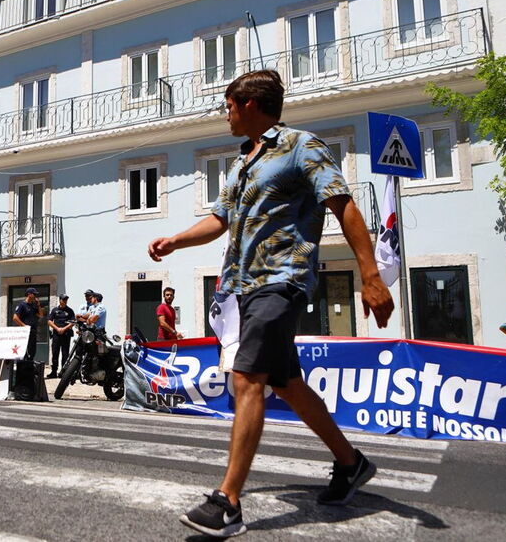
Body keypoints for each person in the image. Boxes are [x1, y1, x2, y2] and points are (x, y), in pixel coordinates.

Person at [148, 69, 394, 538]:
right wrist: (176, 241)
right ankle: (351, 462)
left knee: (247, 377)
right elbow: (220, 219)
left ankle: (227, 502)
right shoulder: (244, 161)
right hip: (244, 285)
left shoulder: (303, 145)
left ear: (250, 105)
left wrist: (370, 275)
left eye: (229, 106)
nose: (225, 114)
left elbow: (343, 205)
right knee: (286, 384)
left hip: (283, 279)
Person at [46, 294, 75, 378]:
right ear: (60, 300)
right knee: (55, 353)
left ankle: (64, 372)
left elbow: (72, 322)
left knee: (65, 354)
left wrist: (64, 329)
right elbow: (49, 321)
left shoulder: (70, 311)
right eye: (63, 299)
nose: (65, 301)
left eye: (66, 299)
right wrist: (57, 328)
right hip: (56, 335)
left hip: (66, 335)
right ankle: (54, 372)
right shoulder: (55, 310)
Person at [12, 287, 41, 360]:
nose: (35, 296)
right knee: (25, 350)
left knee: (32, 350)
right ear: (29, 294)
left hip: (33, 331)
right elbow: (15, 318)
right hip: (25, 332)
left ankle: (30, 366)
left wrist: (38, 305)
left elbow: (41, 315)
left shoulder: (34, 305)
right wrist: (24, 326)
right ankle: (24, 366)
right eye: (34, 294)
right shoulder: (22, 305)